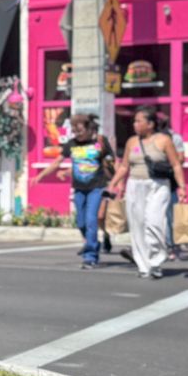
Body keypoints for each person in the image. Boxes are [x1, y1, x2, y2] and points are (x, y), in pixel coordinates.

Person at [108, 106, 187, 280]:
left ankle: (156, 262)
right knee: (137, 226)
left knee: (154, 222)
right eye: (134, 121)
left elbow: (176, 165)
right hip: (135, 185)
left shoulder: (164, 140)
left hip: (158, 185)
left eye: (138, 121)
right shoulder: (132, 142)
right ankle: (144, 265)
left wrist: (182, 187)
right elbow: (124, 166)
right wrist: (114, 183)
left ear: (150, 124)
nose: (135, 124)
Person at [50, 113, 115, 269]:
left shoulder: (99, 142)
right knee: (80, 222)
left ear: (88, 129)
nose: (76, 134)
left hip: (96, 186)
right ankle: (94, 243)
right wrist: (40, 176)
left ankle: (90, 256)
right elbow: (57, 161)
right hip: (79, 188)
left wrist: (116, 182)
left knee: (91, 220)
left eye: (79, 130)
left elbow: (112, 161)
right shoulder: (71, 144)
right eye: (74, 130)